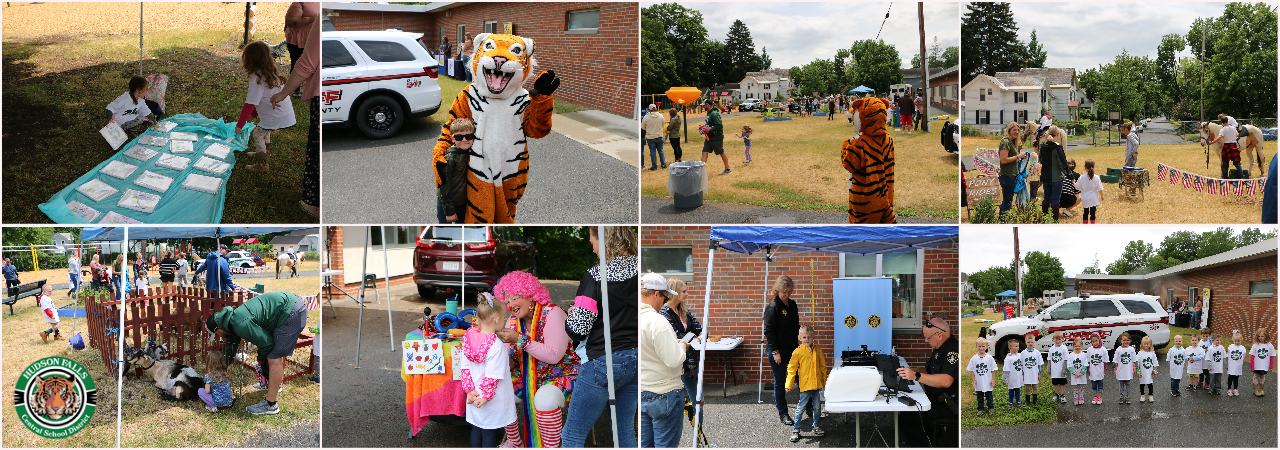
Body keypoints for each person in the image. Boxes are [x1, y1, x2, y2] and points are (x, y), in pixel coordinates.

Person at [561, 227, 638, 448]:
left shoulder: (596, 276)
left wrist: (572, 312)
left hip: (604, 360)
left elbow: (576, 329)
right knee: (623, 432)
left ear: (605, 241)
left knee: (572, 435)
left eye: (593, 241)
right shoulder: (640, 271)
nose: (592, 247)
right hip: (634, 358)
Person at [491, 271, 579, 448]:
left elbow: (554, 356)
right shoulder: (513, 321)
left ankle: (550, 446)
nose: (510, 305)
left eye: (515, 298)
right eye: (507, 301)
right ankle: (515, 443)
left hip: (560, 374)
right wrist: (496, 349)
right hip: (526, 375)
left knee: (544, 400)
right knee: (497, 392)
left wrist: (519, 340)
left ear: (530, 295)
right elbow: (511, 364)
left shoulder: (553, 313)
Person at [206, 290, 308, 415]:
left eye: (217, 334)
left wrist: (260, 360)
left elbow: (267, 343)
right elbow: (230, 350)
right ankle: (270, 384)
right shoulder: (231, 323)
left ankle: (271, 404)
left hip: (291, 311)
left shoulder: (239, 324)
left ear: (220, 328)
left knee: (273, 357)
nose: (219, 337)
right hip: (286, 308)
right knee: (267, 353)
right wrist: (218, 371)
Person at [269, 12, 320, 217]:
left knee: (317, 150)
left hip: (320, 93)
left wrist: (283, 93)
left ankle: (312, 201)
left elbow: (306, 63)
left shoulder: (319, 18)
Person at [461, 293, 517, 448]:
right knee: (489, 433)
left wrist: (470, 390)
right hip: (491, 400)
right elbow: (493, 376)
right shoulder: (496, 346)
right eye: (504, 318)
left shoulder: (468, 338)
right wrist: (485, 397)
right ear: (497, 319)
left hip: (473, 396)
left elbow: (464, 368)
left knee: (476, 430)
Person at [894, 317, 959, 446]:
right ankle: (932, 438)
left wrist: (916, 376)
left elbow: (946, 380)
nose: (926, 341)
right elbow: (932, 371)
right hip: (936, 398)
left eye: (928, 338)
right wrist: (914, 370)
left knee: (906, 419)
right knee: (908, 407)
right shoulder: (940, 349)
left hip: (948, 404)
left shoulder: (952, 351)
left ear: (939, 335)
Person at [639, 273, 686, 448]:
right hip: (665, 391)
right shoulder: (657, 321)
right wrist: (682, 347)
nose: (665, 302)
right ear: (656, 294)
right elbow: (674, 360)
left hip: (642, 391)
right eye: (665, 297)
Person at [236, 41, 297, 173]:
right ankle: (264, 152)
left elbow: (250, 104)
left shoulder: (257, 79)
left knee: (258, 133)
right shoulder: (270, 73)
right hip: (284, 115)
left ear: (249, 60)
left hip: (276, 117)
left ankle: (262, 164)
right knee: (265, 131)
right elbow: (260, 100)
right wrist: (254, 115)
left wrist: (240, 124)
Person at [657, 278, 702, 427]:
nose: (687, 294)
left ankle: (699, 438)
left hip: (689, 361)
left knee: (698, 398)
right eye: (684, 291)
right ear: (675, 292)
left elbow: (699, 328)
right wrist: (690, 335)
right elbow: (675, 337)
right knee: (678, 402)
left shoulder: (683, 310)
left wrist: (700, 335)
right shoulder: (664, 312)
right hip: (676, 362)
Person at [763, 275, 800, 425]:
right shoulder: (772, 307)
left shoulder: (792, 304)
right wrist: (775, 352)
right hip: (778, 351)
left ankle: (809, 406)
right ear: (777, 290)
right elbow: (769, 331)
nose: (787, 295)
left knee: (800, 377)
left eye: (789, 292)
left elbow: (796, 325)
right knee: (780, 381)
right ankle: (783, 413)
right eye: (784, 292)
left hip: (794, 349)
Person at [785, 325, 826, 443]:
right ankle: (796, 429)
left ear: (812, 338)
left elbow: (823, 367)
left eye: (809, 337)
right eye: (804, 337)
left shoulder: (818, 350)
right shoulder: (797, 352)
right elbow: (791, 368)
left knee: (817, 407)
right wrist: (789, 384)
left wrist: (824, 382)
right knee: (800, 408)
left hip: (817, 385)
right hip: (805, 385)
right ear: (800, 338)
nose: (806, 339)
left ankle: (816, 426)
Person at [438, 118, 476, 224]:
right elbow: (444, 187)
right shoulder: (449, 159)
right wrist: (449, 212)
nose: (464, 140)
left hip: (463, 203)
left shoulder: (470, 152)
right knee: (446, 229)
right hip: (447, 204)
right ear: (452, 138)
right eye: (459, 137)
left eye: (468, 136)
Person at [1038, 126, 1069, 221]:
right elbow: (1062, 164)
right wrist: (1069, 175)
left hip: (1046, 177)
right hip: (1056, 178)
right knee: (1055, 200)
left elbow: (1041, 160)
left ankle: (1044, 218)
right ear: (1058, 135)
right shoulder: (1058, 147)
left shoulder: (1042, 146)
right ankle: (1055, 220)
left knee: (1046, 198)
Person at [998, 122, 1029, 215]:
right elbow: (1003, 160)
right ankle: (1003, 221)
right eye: (1014, 130)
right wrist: (1018, 156)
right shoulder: (1005, 141)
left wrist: (1020, 157)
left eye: (1018, 130)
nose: (1017, 132)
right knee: (1007, 202)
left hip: (1012, 176)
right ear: (1009, 130)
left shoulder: (1012, 142)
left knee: (1007, 201)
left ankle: (1002, 220)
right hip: (1007, 176)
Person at [699, 100, 731, 176]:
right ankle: (699, 171)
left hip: (716, 138)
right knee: (704, 152)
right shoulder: (709, 113)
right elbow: (710, 124)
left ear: (708, 105)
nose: (703, 107)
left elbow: (719, 125)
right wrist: (704, 128)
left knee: (721, 152)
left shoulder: (714, 114)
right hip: (708, 138)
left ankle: (727, 169)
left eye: (704, 105)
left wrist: (710, 130)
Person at [968, 337, 998, 415]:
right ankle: (980, 409)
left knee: (989, 396)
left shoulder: (989, 358)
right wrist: (974, 380)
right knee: (980, 397)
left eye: (983, 346)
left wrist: (993, 379)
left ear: (986, 346)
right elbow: (972, 370)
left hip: (988, 381)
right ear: (976, 346)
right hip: (979, 381)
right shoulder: (974, 359)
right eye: (979, 346)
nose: (981, 348)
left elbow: (993, 369)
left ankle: (990, 407)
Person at [1074, 159, 1104, 224]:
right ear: (1094, 167)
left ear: (1085, 167)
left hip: (1085, 198)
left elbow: (1077, 187)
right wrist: (1102, 196)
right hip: (1094, 198)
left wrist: (1074, 182)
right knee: (1093, 213)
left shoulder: (1082, 177)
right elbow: (1100, 188)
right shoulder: (1096, 177)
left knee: (1085, 213)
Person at [1112, 332, 1137, 404]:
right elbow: (1115, 361)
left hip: (1128, 371)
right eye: (1124, 340)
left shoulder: (1131, 349)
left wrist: (1135, 369)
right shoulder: (1118, 350)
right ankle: (1121, 396)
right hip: (1120, 371)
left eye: (1127, 340)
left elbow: (1134, 360)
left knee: (1128, 384)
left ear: (1130, 340)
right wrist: (1114, 369)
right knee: (1121, 384)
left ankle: (1127, 396)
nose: (1125, 342)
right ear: (1120, 341)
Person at [642, 104, 668, 170]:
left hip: (650, 137)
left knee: (652, 151)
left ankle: (654, 166)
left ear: (649, 109)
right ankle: (663, 164)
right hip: (659, 135)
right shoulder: (661, 116)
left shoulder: (646, 117)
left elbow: (643, 127)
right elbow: (663, 124)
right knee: (661, 151)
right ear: (656, 109)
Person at [1086, 332, 1109, 404]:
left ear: (1099, 340)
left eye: (1096, 340)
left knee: (1100, 384)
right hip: (1092, 371)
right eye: (1093, 341)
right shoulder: (1089, 350)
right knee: (1093, 385)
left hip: (1100, 371)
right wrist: (1088, 370)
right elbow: (1088, 361)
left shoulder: (1103, 349)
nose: (1095, 343)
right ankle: (1095, 396)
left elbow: (1105, 361)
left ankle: (1100, 397)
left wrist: (1105, 370)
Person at [1047, 331, 1070, 403]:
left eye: (1059, 339)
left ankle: (1062, 395)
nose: (1058, 341)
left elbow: (1066, 359)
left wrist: (1064, 370)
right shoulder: (1051, 349)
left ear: (1062, 339)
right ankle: (1056, 394)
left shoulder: (1064, 348)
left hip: (1061, 370)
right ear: (1053, 339)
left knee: (1062, 383)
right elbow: (1049, 360)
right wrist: (1049, 369)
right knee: (1055, 383)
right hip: (1054, 370)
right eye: (1056, 339)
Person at [1020, 334, 1044, 405]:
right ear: (1025, 342)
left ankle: (1035, 400)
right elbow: (1021, 365)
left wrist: (1039, 374)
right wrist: (1022, 374)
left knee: (1035, 387)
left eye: (1032, 342)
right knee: (1027, 388)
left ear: (1034, 342)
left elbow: (1040, 364)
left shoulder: (1037, 353)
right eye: (1028, 342)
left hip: (1034, 373)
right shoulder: (1023, 353)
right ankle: (1027, 401)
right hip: (1026, 373)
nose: (1030, 343)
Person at [1250, 328, 1274, 397]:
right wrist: (1252, 366)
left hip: (1264, 366)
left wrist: (1271, 366)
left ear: (1266, 336)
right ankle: (1255, 390)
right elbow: (1252, 356)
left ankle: (1262, 389)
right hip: (1256, 366)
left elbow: (1272, 356)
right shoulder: (1255, 345)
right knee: (1255, 377)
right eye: (1259, 336)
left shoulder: (1269, 346)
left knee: (1262, 377)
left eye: (1262, 336)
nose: (1260, 338)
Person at [1002, 339, 1024, 407]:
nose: (1017, 348)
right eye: (1016, 346)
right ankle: (1010, 402)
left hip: (1018, 377)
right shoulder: (1008, 358)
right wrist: (1004, 379)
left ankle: (1018, 401)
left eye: (1018, 346)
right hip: (1011, 377)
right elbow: (1006, 369)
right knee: (1011, 390)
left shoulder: (1020, 355)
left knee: (1017, 389)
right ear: (1010, 348)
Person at [1067, 337, 1088, 405]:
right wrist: (1075, 373)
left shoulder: (1084, 355)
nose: (1077, 347)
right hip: (1074, 375)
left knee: (1081, 387)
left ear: (1081, 346)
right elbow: (1069, 365)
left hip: (1081, 375)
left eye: (1079, 346)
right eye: (1076, 346)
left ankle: (1081, 397)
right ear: (1073, 346)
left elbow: (1085, 364)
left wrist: (1081, 373)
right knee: (1075, 387)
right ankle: (1075, 398)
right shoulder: (1070, 355)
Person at [1227, 331, 1246, 397]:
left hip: (1238, 366)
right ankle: (1229, 389)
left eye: (1239, 341)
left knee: (1236, 378)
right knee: (1230, 378)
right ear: (1232, 339)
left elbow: (1243, 355)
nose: (1237, 342)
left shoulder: (1243, 348)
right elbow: (1229, 355)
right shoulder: (1230, 347)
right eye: (1235, 341)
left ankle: (1235, 389)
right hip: (1232, 365)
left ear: (1241, 340)